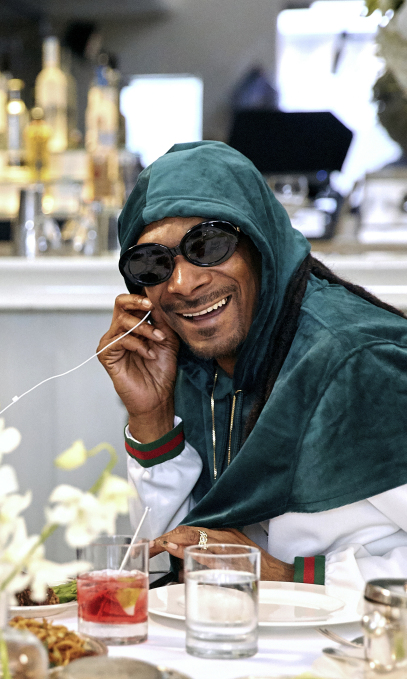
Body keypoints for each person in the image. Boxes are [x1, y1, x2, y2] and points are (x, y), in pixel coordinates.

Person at [97, 141, 407, 589]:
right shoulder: (190, 362)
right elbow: (175, 558)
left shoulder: (359, 361)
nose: (183, 283)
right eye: (154, 263)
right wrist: (152, 418)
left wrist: (285, 576)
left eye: (209, 244)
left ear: (260, 244)